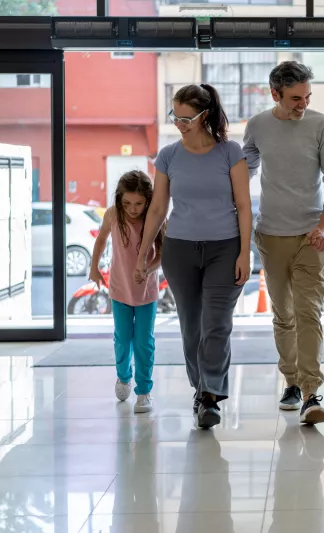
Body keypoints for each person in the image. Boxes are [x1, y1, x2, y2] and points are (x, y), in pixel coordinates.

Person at [135, 84, 252, 429]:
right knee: (191, 329)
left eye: (187, 117)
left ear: (205, 116)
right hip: (180, 250)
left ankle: (210, 397)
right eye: (175, 116)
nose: (179, 123)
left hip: (225, 248)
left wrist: (246, 253)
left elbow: (244, 206)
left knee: (216, 326)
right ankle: (201, 390)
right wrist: (143, 254)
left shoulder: (230, 152)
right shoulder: (169, 155)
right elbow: (158, 208)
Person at [243, 61, 324, 425]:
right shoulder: (257, 126)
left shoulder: (321, 125)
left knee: (308, 311)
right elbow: (246, 169)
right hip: (270, 234)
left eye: (307, 97)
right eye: (295, 98)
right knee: (283, 314)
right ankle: (291, 380)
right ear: (275, 94)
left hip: (310, 236)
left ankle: (311, 391)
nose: (303, 104)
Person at [90, 170, 164, 414]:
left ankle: (143, 391)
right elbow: (100, 240)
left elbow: (163, 254)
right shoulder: (113, 215)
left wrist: (148, 270)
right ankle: (123, 377)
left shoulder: (155, 217)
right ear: (119, 200)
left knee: (144, 341)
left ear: (149, 200)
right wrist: (94, 268)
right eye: (127, 203)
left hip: (146, 291)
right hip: (120, 288)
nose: (133, 209)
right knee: (122, 338)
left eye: (139, 204)